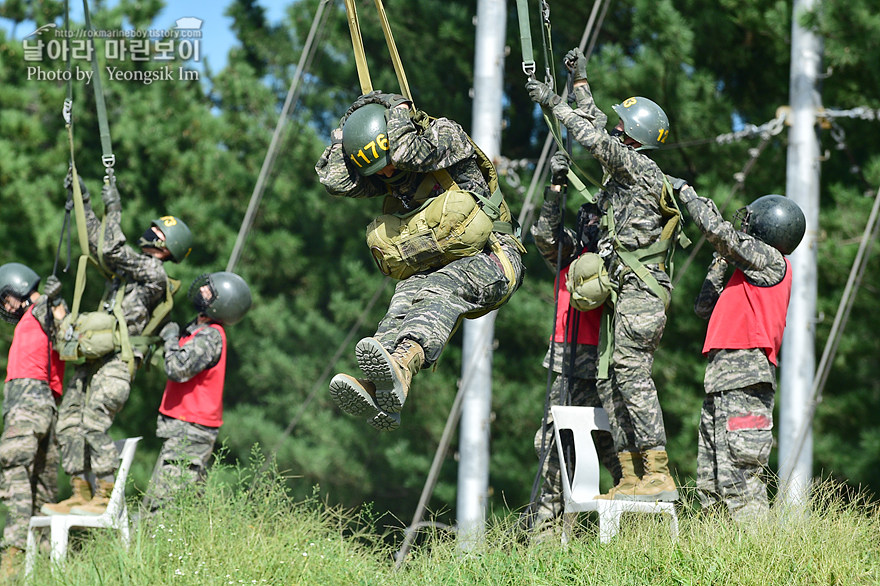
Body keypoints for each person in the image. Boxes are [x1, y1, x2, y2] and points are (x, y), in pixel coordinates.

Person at [316, 91, 526, 431]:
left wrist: (396, 108)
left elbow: (404, 151)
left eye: (385, 164)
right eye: (377, 169)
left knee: (438, 289)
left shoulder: (444, 137)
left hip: (495, 258)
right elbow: (334, 179)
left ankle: (402, 367)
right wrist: (347, 127)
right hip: (441, 264)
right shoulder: (391, 172)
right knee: (403, 299)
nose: (384, 174)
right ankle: (382, 387)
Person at [526, 48, 681, 501]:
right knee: (585, 413)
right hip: (595, 328)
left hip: (622, 324)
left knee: (623, 405)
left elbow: (594, 138)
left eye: (621, 127)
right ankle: (619, 485)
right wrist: (578, 84)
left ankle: (645, 482)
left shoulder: (633, 180)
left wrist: (556, 102)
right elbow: (545, 240)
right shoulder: (619, 178)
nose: (614, 128)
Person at [42, 175, 192, 516]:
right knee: (69, 424)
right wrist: (85, 201)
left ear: (167, 248)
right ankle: (80, 492)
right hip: (94, 355)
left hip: (117, 362)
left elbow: (110, 248)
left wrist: (115, 208)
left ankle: (104, 495)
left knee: (94, 422)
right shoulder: (129, 270)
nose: (150, 233)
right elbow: (97, 243)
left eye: (158, 233)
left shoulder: (153, 273)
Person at [676, 183, 806, 521]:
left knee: (741, 482)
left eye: (750, 223)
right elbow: (704, 306)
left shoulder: (772, 261)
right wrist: (722, 261)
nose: (743, 228)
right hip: (721, 378)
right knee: (712, 482)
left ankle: (757, 564)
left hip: (745, 375)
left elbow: (719, 232)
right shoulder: (747, 271)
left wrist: (689, 196)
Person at [526, 151, 621, 536]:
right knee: (554, 445)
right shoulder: (569, 253)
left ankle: (629, 525)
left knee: (614, 445)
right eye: (590, 219)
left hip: (604, 364)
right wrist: (555, 190)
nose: (594, 225)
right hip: (565, 360)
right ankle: (547, 530)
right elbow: (543, 236)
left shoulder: (616, 258)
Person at [143, 271, 252, 512]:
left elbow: (177, 367)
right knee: (186, 504)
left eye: (210, 291)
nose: (203, 290)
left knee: (164, 507)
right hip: (186, 428)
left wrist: (171, 339)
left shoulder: (210, 337)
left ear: (222, 304)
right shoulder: (199, 331)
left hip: (190, 431)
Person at [0, 264, 66, 577]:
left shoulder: (40, 309)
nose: (7, 306)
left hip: (26, 405)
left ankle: (11, 565)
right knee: (43, 487)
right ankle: (45, 567)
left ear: (20, 287)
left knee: (14, 475)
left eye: (7, 298)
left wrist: (51, 299)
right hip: (47, 407)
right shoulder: (36, 314)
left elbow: (59, 320)